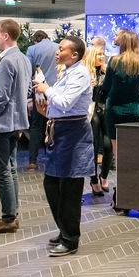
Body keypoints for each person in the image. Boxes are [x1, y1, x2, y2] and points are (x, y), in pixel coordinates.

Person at [34, 35, 94, 257]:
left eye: (61, 49)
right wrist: (47, 108)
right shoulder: (67, 72)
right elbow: (59, 103)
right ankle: (64, 230)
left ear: (75, 54)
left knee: (69, 189)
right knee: (52, 184)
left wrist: (45, 89)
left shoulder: (80, 74)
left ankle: (70, 239)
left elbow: (65, 102)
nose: (57, 52)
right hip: (61, 133)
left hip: (73, 135)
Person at [0, 19, 31, 234]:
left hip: (1, 124)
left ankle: (9, 218)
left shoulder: (6, 61)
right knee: (10, 170)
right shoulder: (24, 59)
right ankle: (12, 214)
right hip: (17, 123)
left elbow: (1, 97)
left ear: (6, 36)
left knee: (2, 171)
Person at [98, 29, 139, 164]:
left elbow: (106, 86)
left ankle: (120, 180)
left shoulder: (114, 61)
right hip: (134, 110)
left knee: (116, 150)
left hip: (113, 109)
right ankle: (130, 180)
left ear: (123, 44)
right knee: (131, 148)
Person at [26, 30, 59, 171]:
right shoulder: (58, 47)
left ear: (35, 40)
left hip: (39, 93)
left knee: (36, 127)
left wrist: (28, 97)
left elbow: (28, 72)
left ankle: (32, 161)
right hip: (56, 92)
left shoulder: (32, 49)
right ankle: (54, 156)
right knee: (55, 125)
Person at [84, 45, 111, 196]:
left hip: (105, 110)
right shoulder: (86, 73)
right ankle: (94, 180)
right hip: (91, 111)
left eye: (103, 54)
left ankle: (104, 176)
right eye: (98, 54)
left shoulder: (107, 72)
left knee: (108, 145)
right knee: (93, 147)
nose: (101, 57)